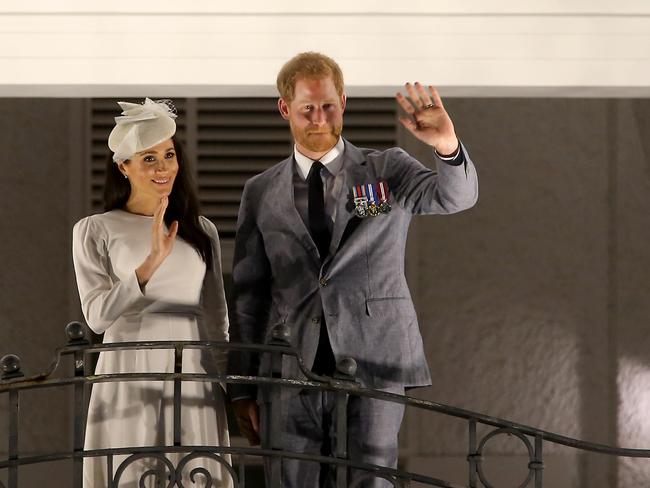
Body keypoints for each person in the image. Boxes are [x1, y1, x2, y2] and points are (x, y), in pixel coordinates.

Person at [228, 52, 479, 487]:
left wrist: (447, 147)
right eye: (307, 108)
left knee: (371, 481)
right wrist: (243, 386)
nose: (319, 118)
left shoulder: (387, 169)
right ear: (285, 109)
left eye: (328, 106)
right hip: (289, 370)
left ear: (343, 102)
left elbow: (454, 197)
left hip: (375, 361)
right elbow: (250, 296)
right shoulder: (260, 191)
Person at [72, 98, 232, 488]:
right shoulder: (95, 229)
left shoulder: (201, 230)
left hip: (193, 372)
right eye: (148, 158)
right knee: (132, 471)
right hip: (129, 375)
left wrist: (232, 387)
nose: (163, 168)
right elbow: (96, 316)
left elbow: (217, 318)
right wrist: (148, 266)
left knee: (199, 472)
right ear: (123, 166)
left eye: (169, 155)